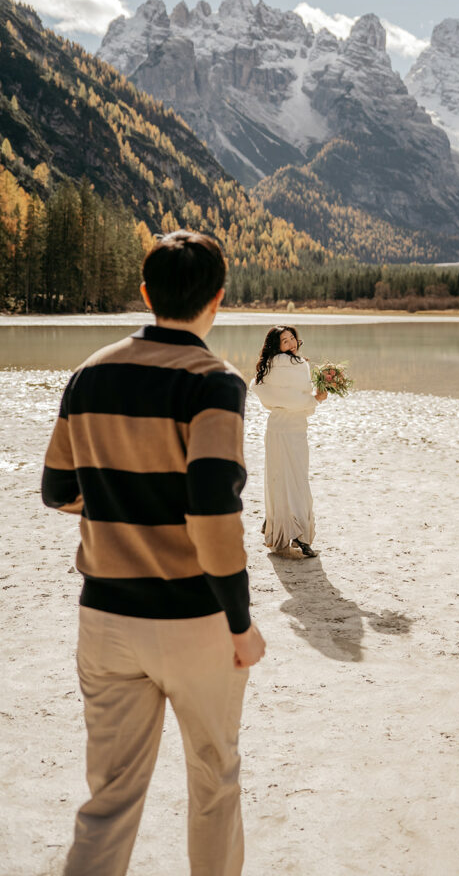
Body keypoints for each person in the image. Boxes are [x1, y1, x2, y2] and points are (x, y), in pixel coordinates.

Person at [41, 230, 265, 876]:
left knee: (109, 799)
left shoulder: (90, 373)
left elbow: (58, 490)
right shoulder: (214, 382)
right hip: (193, 620)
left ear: (146, 294)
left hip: (106, 619)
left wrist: (120, 507)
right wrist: (240, 623)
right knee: (214, 781)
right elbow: (212, 513)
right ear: (217, 299)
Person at [251, 326, 326, 558]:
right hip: (293, 428)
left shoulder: (269, 366)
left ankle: (275, 522)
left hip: (277, 427)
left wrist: (312, 398)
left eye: (292, 338)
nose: (291, 343)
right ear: (277, 346)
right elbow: (298, 400)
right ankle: (300, 536)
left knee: (278, 477)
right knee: (297, 480)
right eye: (285, 341)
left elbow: (270, 394)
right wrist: (315, 400)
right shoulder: (298, 365)